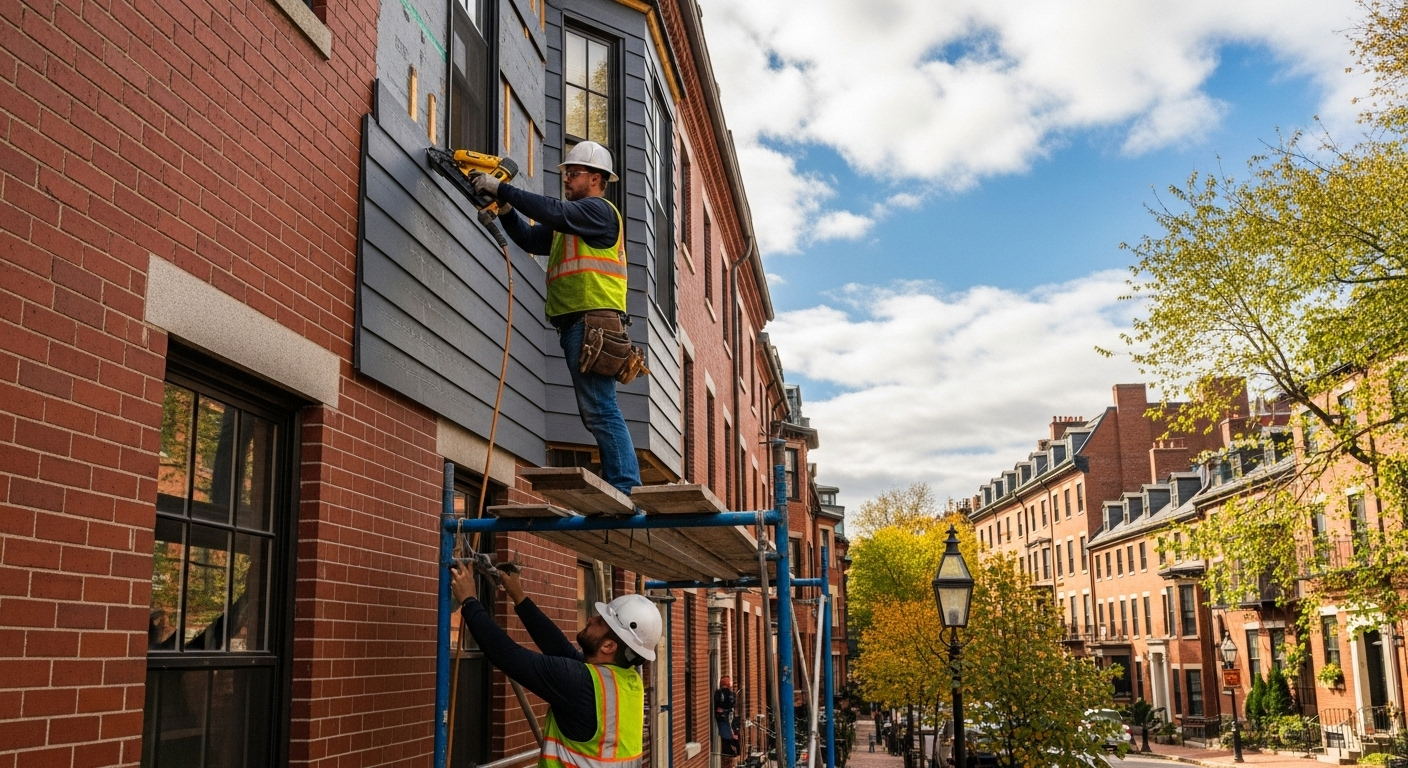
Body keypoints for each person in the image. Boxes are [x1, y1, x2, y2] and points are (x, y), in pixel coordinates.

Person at [471, 141, 640, 495]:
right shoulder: (574, 223)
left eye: (573, 173)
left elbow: (552, 211)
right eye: (566, 173)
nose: (567, 179)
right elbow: (532, 239)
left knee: (599, 408)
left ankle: (625, 485)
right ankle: (623, 482)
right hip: (580, 325)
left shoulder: (599, 212)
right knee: (596, 408)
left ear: (595, 179)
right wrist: (504, 211)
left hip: (593, 323)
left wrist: (501, 188)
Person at [450, 561, 661, 768]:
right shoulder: (626, 680)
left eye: (600, 622)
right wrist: (519, 597)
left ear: (608, 646)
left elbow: (507, 655)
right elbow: (560, 648)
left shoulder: (578, 683)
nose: (591, 618)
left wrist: (469, 601)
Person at [714, 677, 739, 757]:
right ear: (729, 685)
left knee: (726, 736)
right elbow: (733, 705)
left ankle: (728, 751)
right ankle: (730, 751)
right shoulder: (732, 694)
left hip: (721, 717)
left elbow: (717, 704)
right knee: (729, 735)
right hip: (728, 717)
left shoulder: (718, 693)